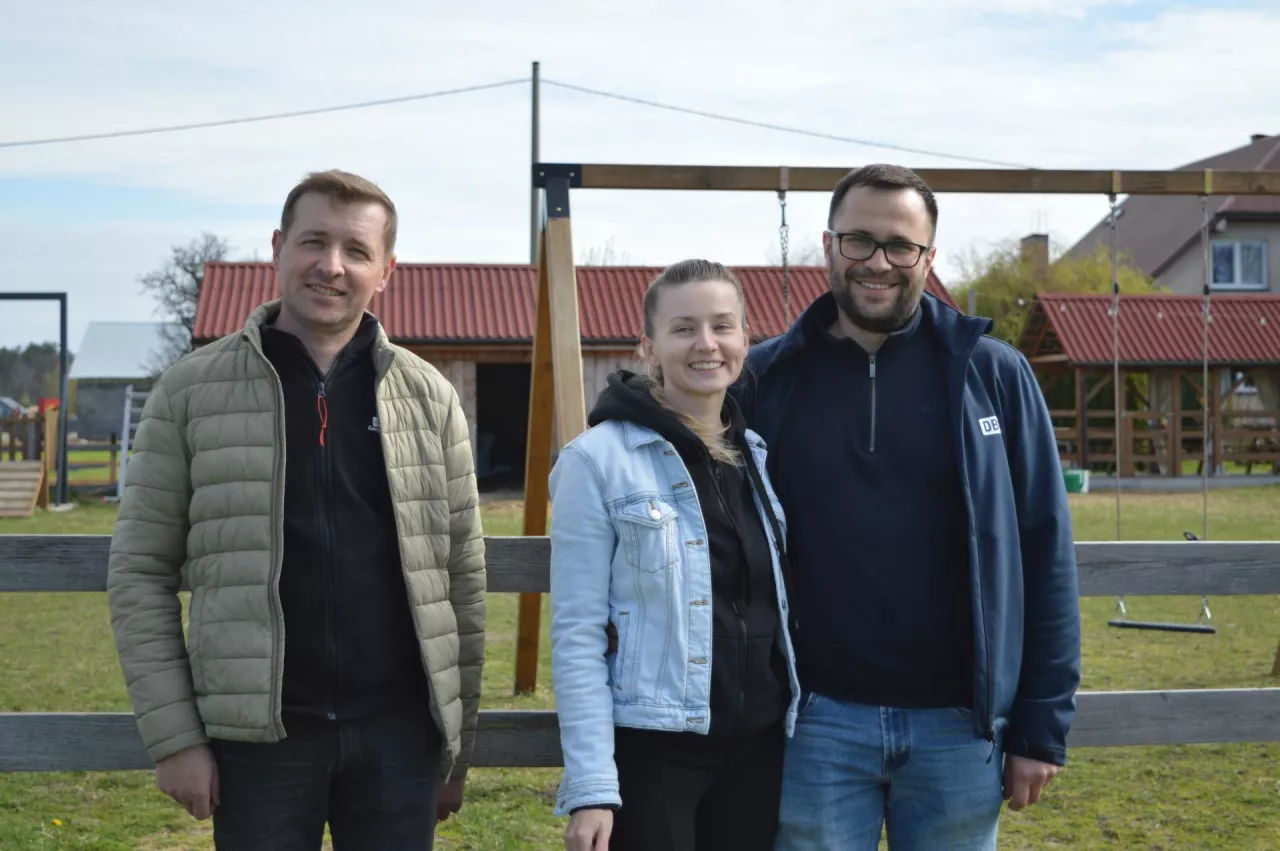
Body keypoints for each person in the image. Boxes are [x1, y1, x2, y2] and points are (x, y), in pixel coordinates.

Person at [105, 169, 486, 850]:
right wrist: (176, 738)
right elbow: (140, 571)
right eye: (314, 241)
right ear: (278, 247)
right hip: (259, 740)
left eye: (356, 250)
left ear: (386, 269)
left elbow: (461, 581)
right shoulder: (190, 392)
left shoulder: (431, 398)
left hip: (400, 738)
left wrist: (452, 748)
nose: (331, 266)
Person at [733, 164, 1081, 851]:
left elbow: (1045, 552)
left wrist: (1040, 726)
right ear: (827, 245)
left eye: (900, 245)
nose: (878, 262)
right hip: (815, 725)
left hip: (959, 726)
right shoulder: (766, 379)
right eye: (859, 241)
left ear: (929, 257)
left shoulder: (993, 374)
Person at [548, 259, 803, 851]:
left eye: (723, 325)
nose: (706, 343)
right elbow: (579, 632)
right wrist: (591, 786)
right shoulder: (598, 462)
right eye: (684, 328)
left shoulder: (756, 456)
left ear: (745, 339)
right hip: (656, 754)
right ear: (649, 346)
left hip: (759, 750)